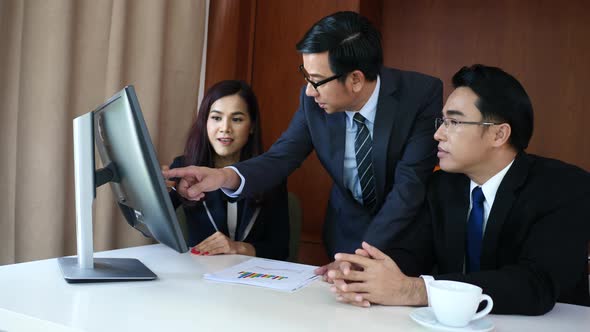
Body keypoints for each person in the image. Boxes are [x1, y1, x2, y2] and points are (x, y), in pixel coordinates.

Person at [164, 12, 442, 275]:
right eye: (306, 75)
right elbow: (281, 157)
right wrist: (222, 177)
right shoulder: (313, 101)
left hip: (403, 244)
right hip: (344, 239)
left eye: (317, 80)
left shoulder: (420, 95)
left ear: (356, 79)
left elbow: (409, 187)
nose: (309, 90)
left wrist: (361, 258)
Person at [327, 64, 590, 315]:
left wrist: (416, 291)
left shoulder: (565, 188)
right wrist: (364, 274)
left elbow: (535, 286)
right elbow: (410, 253)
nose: (438, 134)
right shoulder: (442, 185)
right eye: (441, 122)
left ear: (499, 135)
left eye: (454, 122)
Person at [164, 80, 289, 260]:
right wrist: (154, 190)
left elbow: (280, 250)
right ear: (205, 122)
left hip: (252, 279)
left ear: (252, 125)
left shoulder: (269, 174)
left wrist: (238, 248)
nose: (225, 129)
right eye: (216, 118)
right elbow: (149, 225)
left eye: (237, 119)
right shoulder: (184, 168)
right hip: (199, 274)